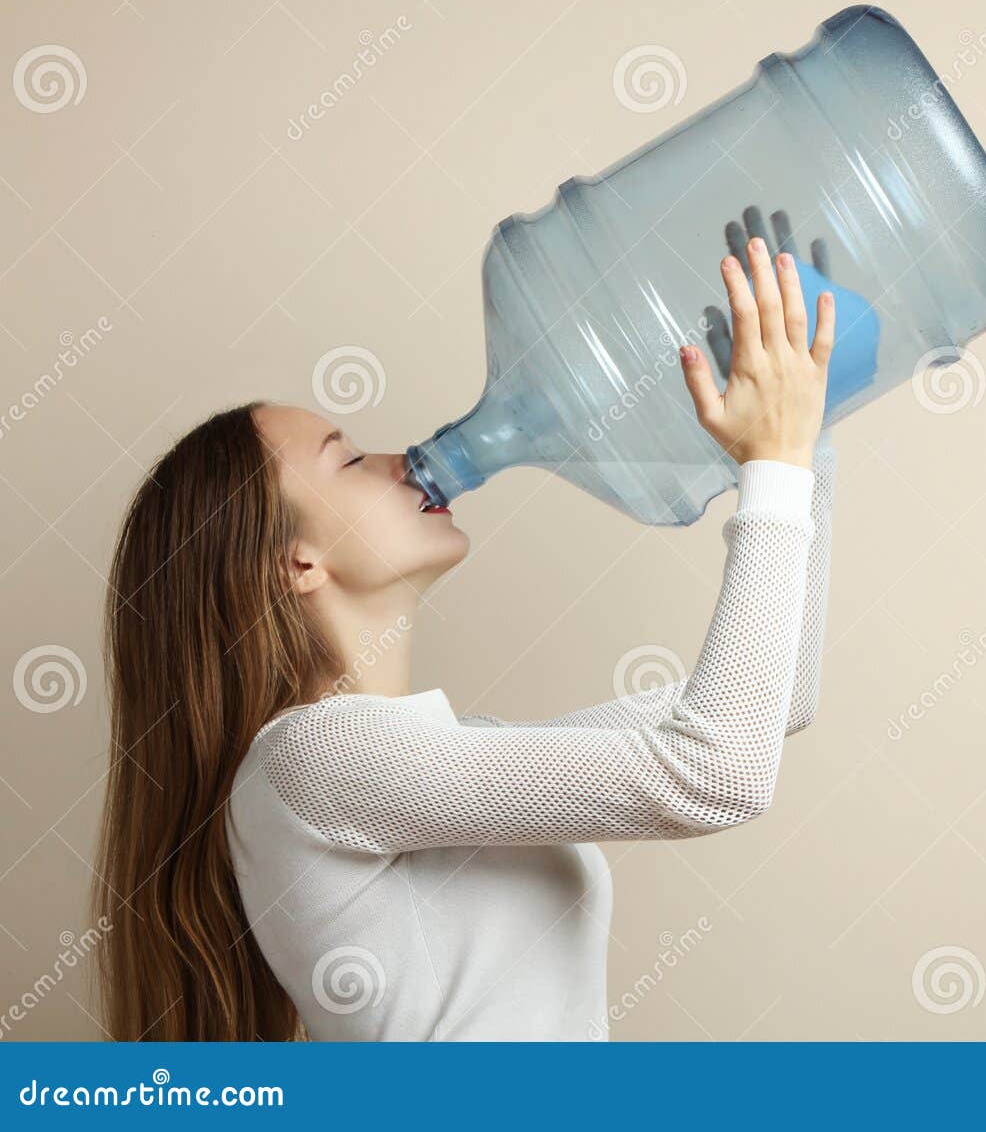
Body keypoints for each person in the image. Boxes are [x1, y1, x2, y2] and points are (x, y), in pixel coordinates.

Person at [92, 221, 839, 1040]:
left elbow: (777, 702)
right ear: (297, 563)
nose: (400, 458)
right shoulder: (308, 760)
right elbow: (715, 770)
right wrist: (777, 461)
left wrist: (810, 416)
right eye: (349, 459)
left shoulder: (437, 760)